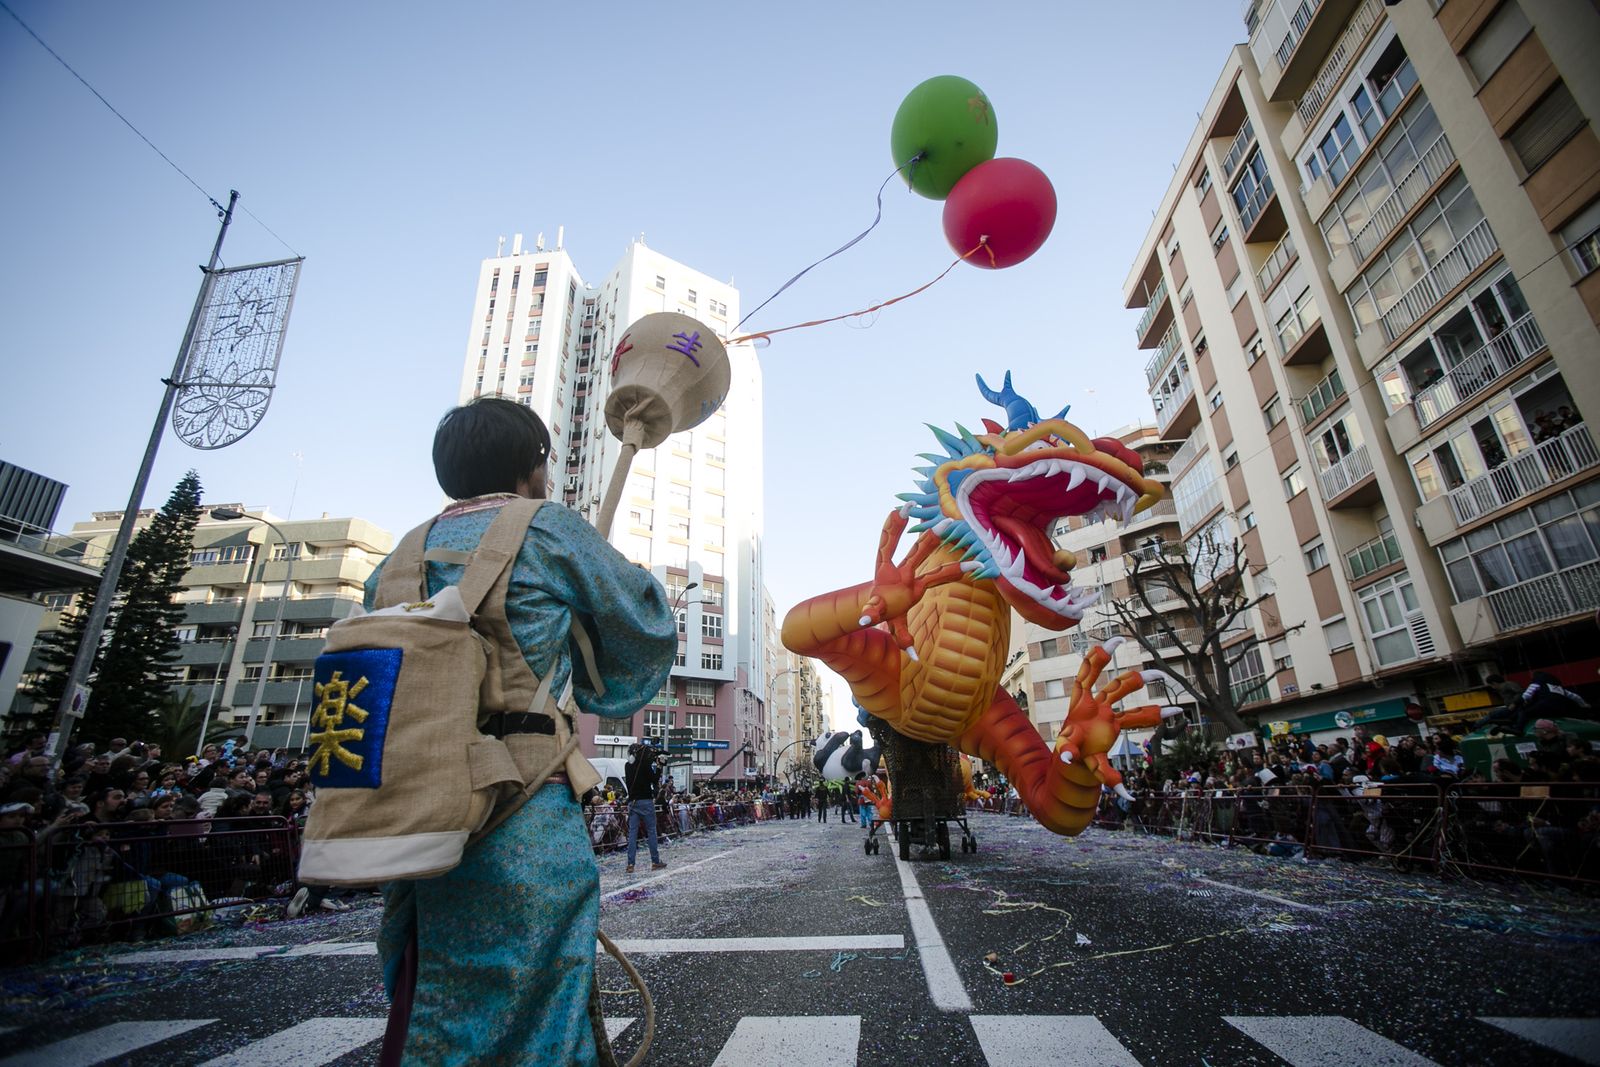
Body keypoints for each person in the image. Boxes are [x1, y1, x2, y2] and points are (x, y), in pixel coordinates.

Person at [374, 397, 674, 1066]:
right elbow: (643, 622)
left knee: (434, 986)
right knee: (535, 993)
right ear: (531, 465)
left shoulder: (400, 553)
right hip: (522, 800)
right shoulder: (550, 527)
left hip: (416, 807)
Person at [624, 741, 666, 873]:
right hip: (646, 801)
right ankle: (655, 861)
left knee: (632, 834)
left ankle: (630, 864)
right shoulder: (645, 765)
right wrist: (659, 766)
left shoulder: (627, 766)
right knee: (651, 831)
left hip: (633, 802)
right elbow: (654, 780)